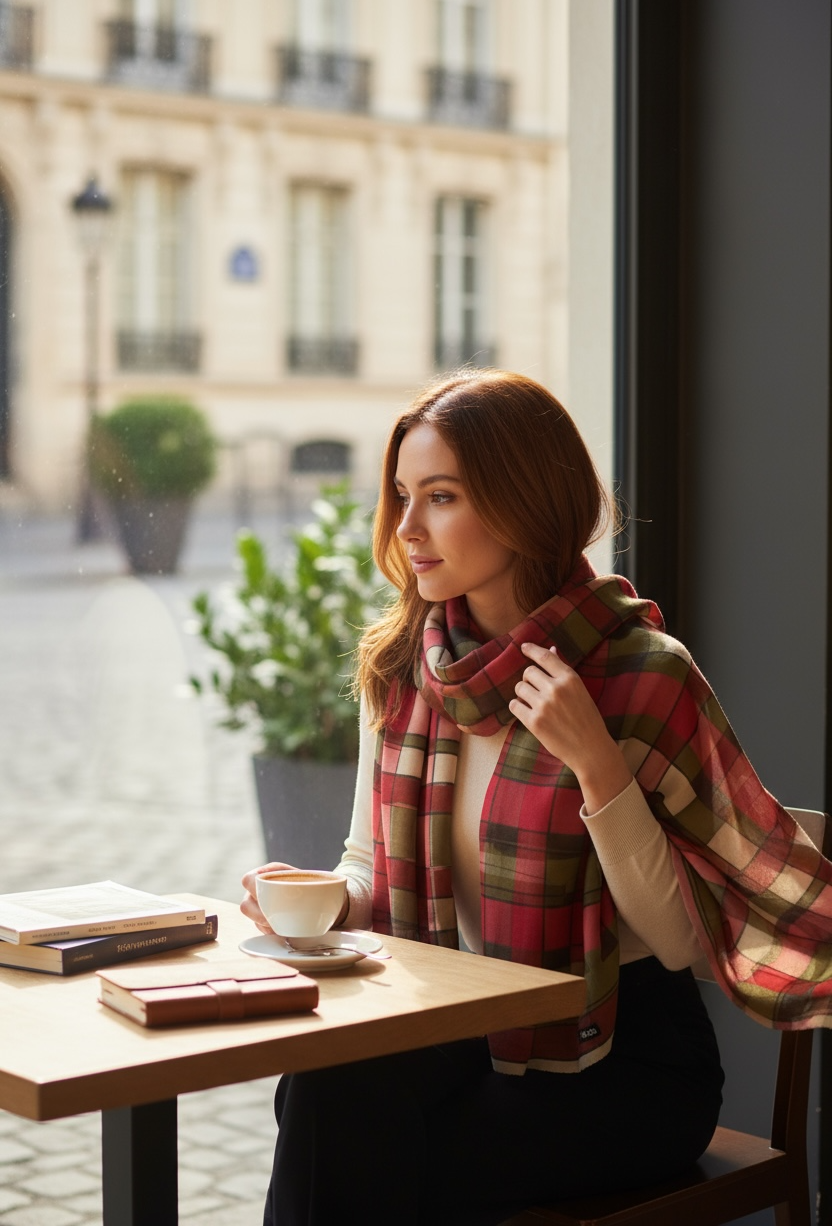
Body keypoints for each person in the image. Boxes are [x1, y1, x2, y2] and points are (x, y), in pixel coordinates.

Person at [242, 369, 832, 1226]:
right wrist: (322, 901)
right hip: (462, 1028)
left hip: (627, 1060)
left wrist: (596, 762)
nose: (407, 528)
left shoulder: (645, 674)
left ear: (522, 503)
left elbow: (677, 941)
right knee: (329, 1087)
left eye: (440, 497)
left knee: (363, 1142)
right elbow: (366, 862)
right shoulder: (408, 667)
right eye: (403, 496)